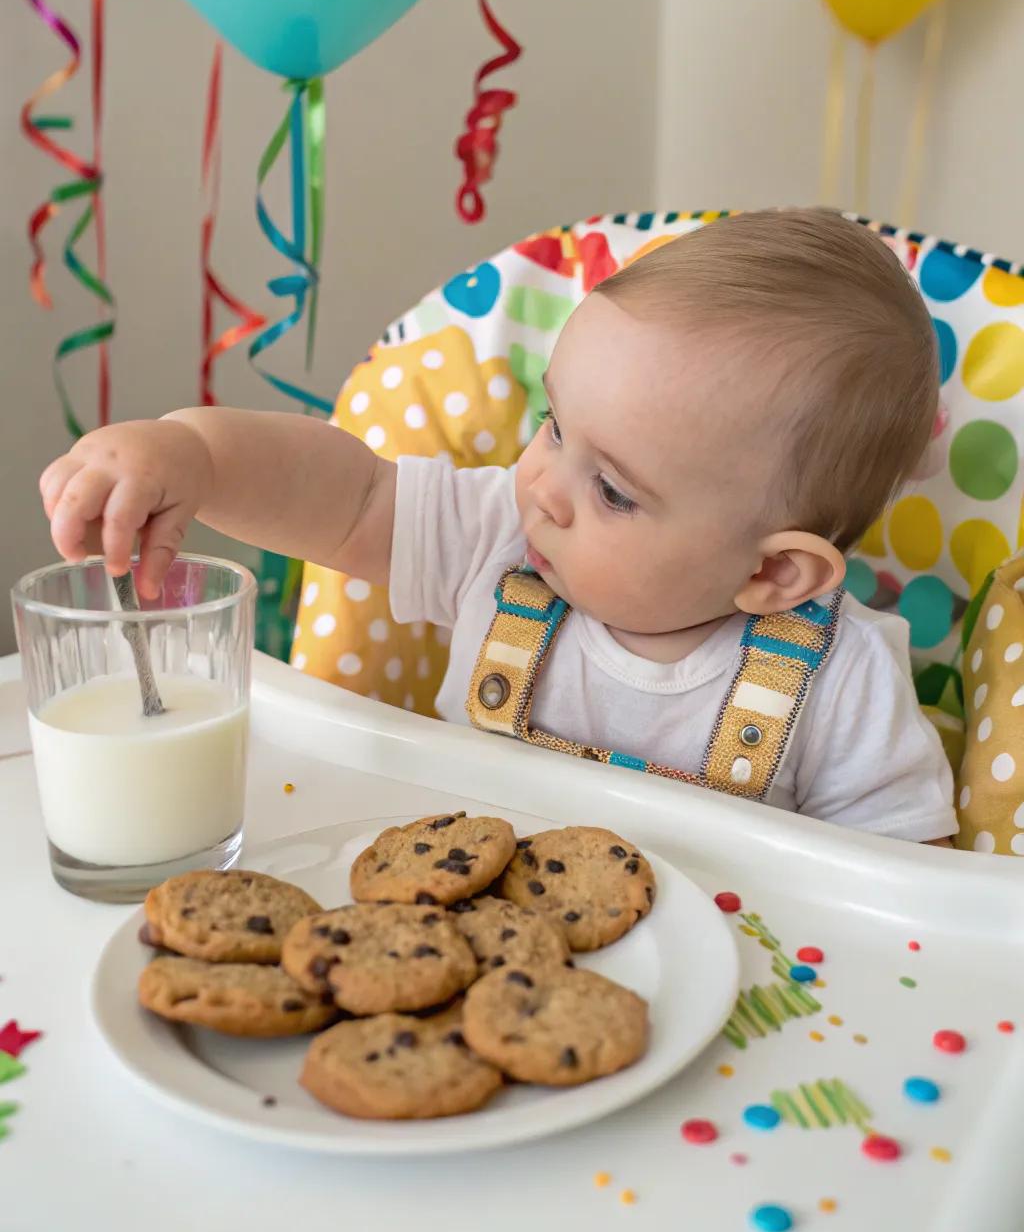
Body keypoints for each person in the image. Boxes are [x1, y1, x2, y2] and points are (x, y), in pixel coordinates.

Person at [39, 208, 956, 841]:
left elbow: (907, 898)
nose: (543, 486)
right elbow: (347, 497)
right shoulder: (496, 542)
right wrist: (195, 455)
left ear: (776, 577)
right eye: (555, 428)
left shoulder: (845, 684)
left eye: (614, 492)